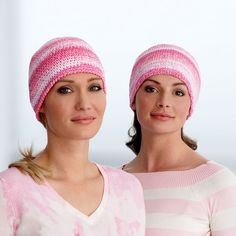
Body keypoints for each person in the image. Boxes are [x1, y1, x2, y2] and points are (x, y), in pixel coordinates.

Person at [0, 37, 145, 235]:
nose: (84, 103)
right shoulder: (10, 190)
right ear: (41, 103)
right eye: (65, 90)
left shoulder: (128, 188)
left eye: (94, 87)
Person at [123, 44, 236, 235]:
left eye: (179, 92)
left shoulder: (216, 182)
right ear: (134, 98)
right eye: (151, 89)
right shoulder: (111, 183)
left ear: (190, 106)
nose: (164, 102)